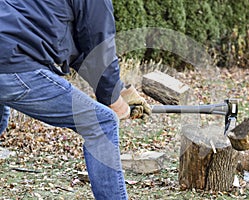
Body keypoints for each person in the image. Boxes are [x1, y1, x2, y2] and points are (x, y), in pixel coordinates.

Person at [0, 0, 151, 199]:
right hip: (12, 64)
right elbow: (99, 46)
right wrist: (113, 102)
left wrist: (119, 92)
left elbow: (81, 50)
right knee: (102, 122)